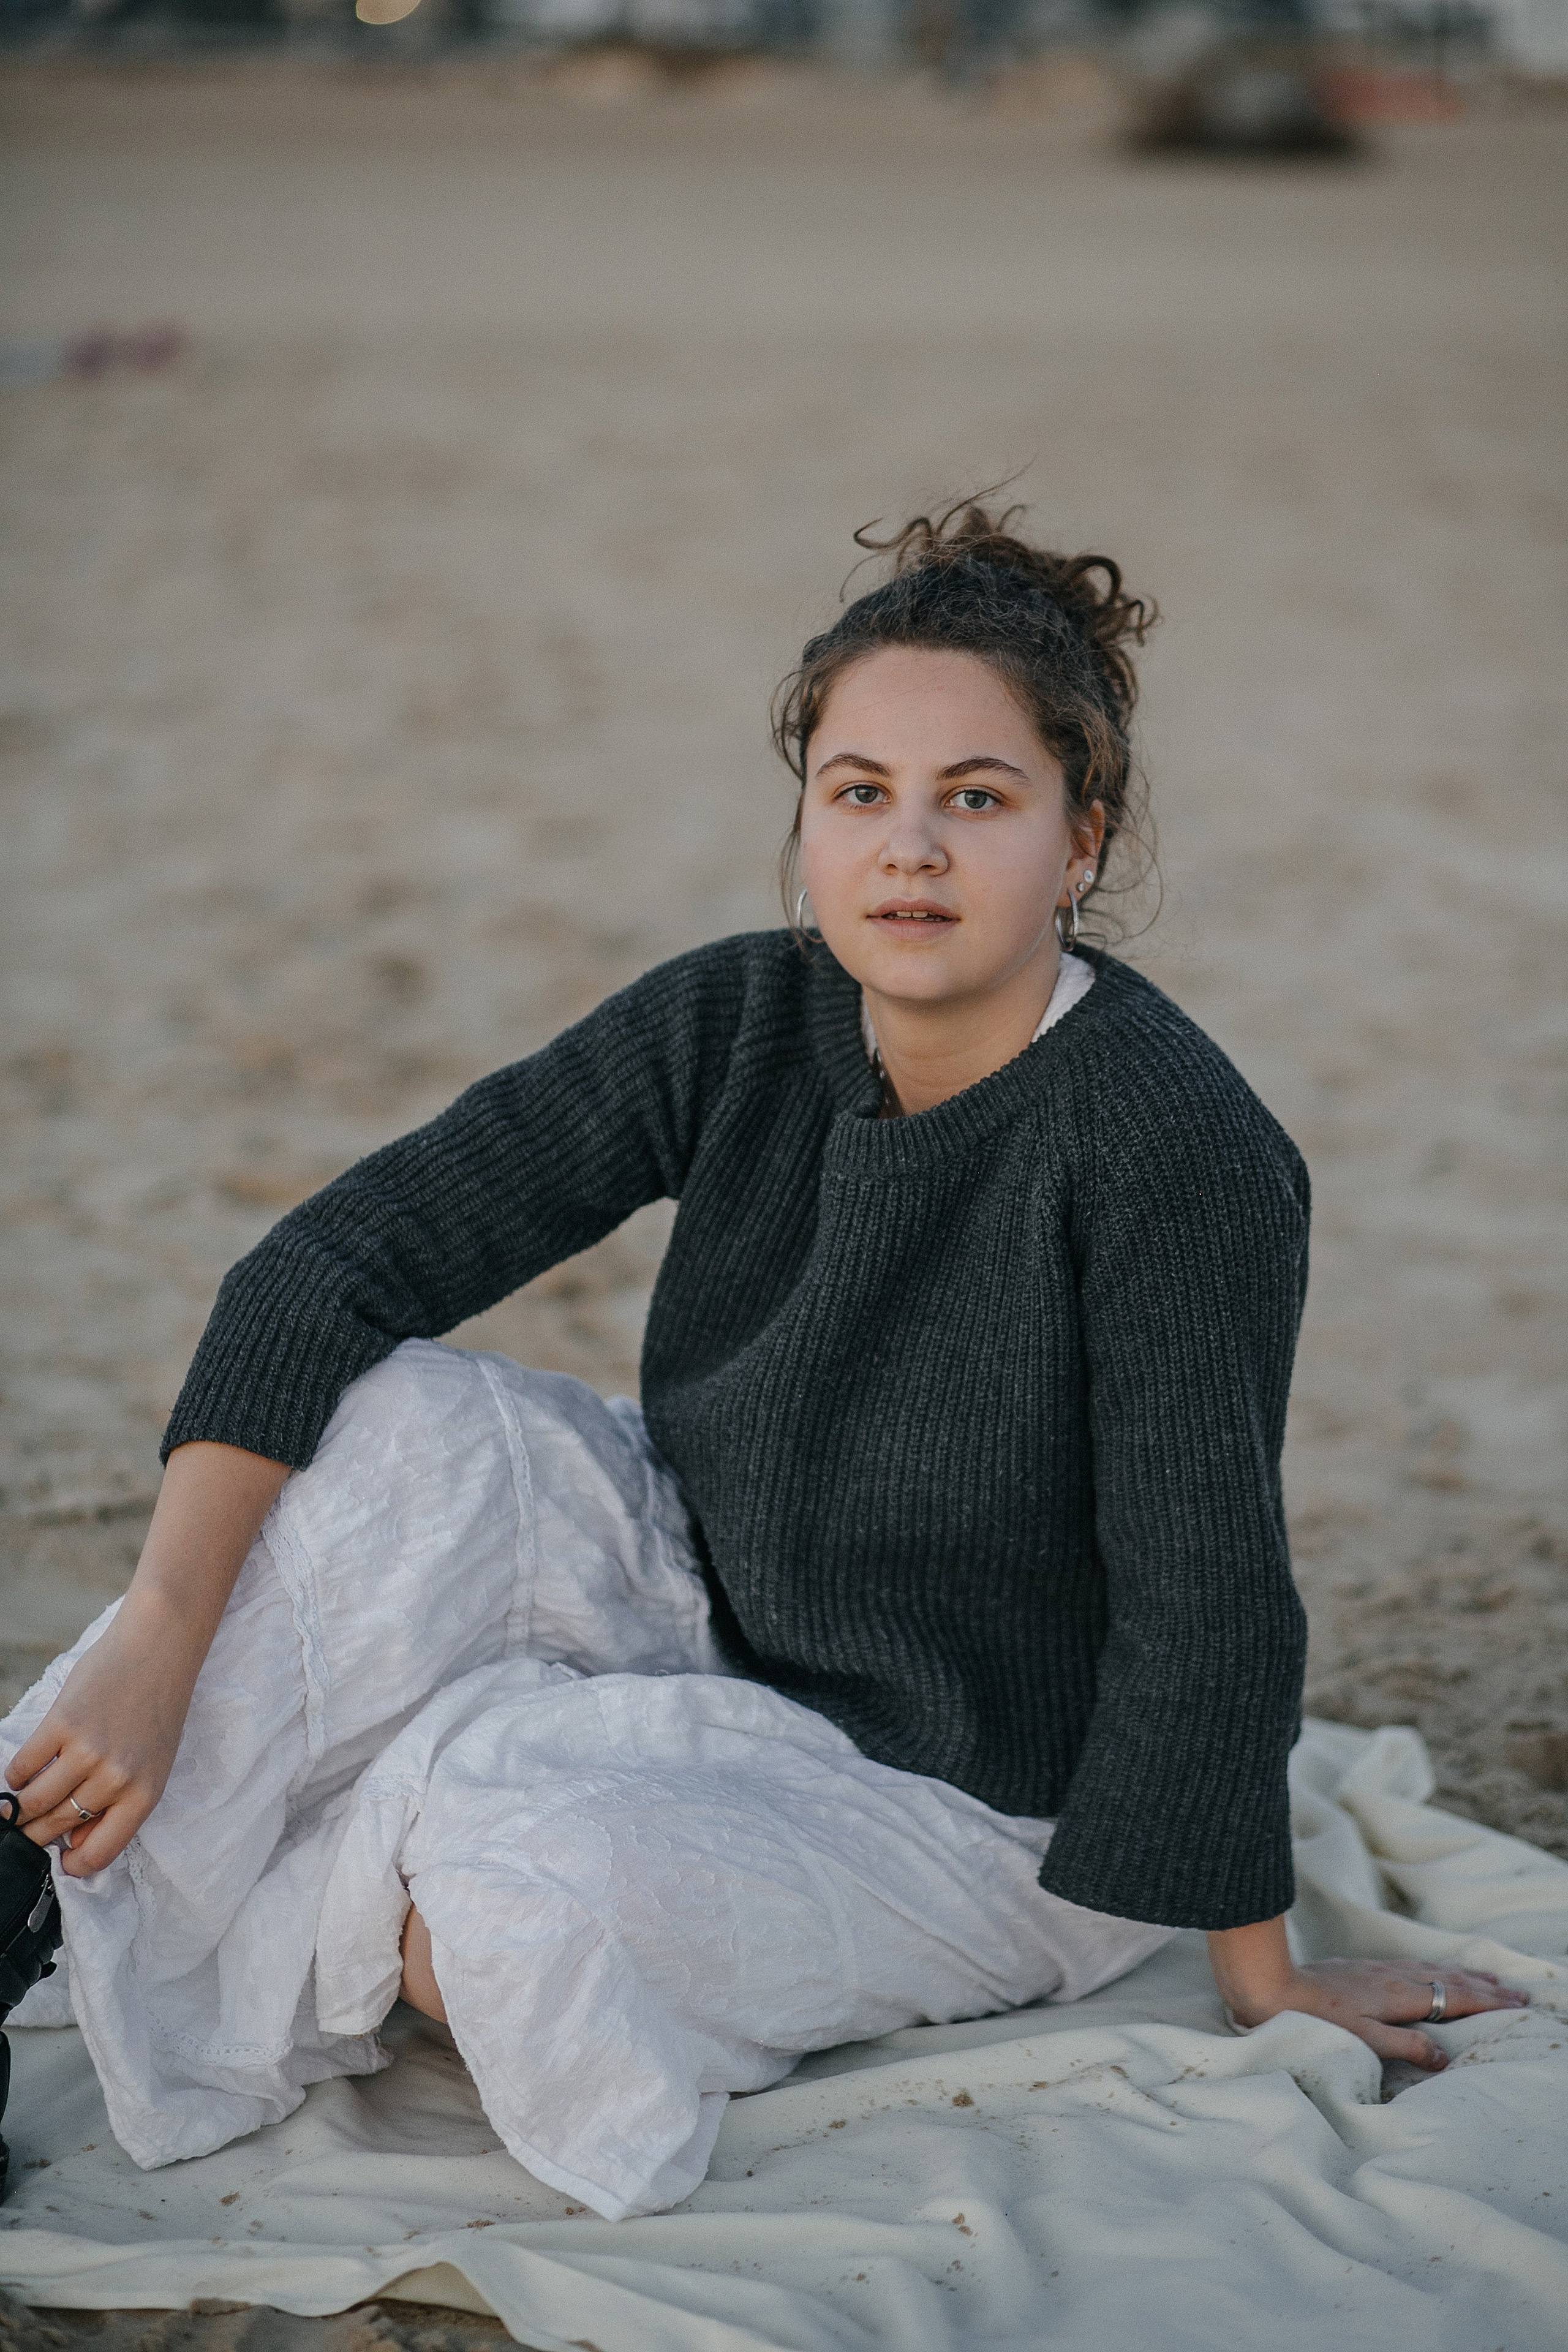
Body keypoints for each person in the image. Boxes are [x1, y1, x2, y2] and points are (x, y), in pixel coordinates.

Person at [1, 499, 1523, 2216]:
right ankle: (20, 1898)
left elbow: (1207, 1585)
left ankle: (360, 1854)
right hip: (704, 1596)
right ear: (808, 820)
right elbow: (343, 1257)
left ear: (1080, 841)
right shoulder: (739, 1019)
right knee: (392, 1415)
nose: (912, 851)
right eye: (861, 793)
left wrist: (1264, 1975)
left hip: (982, 1803)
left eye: (980, 799)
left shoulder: (1179, 1152)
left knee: (496, 1917)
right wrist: (158, 1634)